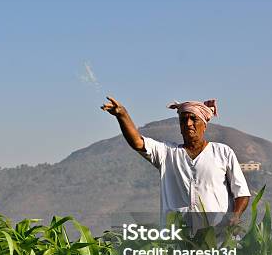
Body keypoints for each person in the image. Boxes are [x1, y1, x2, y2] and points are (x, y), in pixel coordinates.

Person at [101, 96, 251, 233]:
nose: (188, 123)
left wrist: (235, 216)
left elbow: (242, 193)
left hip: (218, 236)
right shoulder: (167, 153)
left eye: (194, 119)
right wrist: (122, 115)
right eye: (183, 120)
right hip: (179, 239)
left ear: (204, 125)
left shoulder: (223, 152)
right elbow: (138, 143)